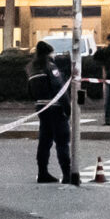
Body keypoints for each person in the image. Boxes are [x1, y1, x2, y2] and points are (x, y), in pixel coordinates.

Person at [30, 40, 79, 185]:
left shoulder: (32, 68)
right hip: (56, 108)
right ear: (49, 53)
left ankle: (42, 173)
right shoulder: (50, 67)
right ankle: (67, 174)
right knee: (62, 142)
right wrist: (68, 109)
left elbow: (29, 91)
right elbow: (60, 89)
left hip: (41, 109)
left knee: (44, 141)